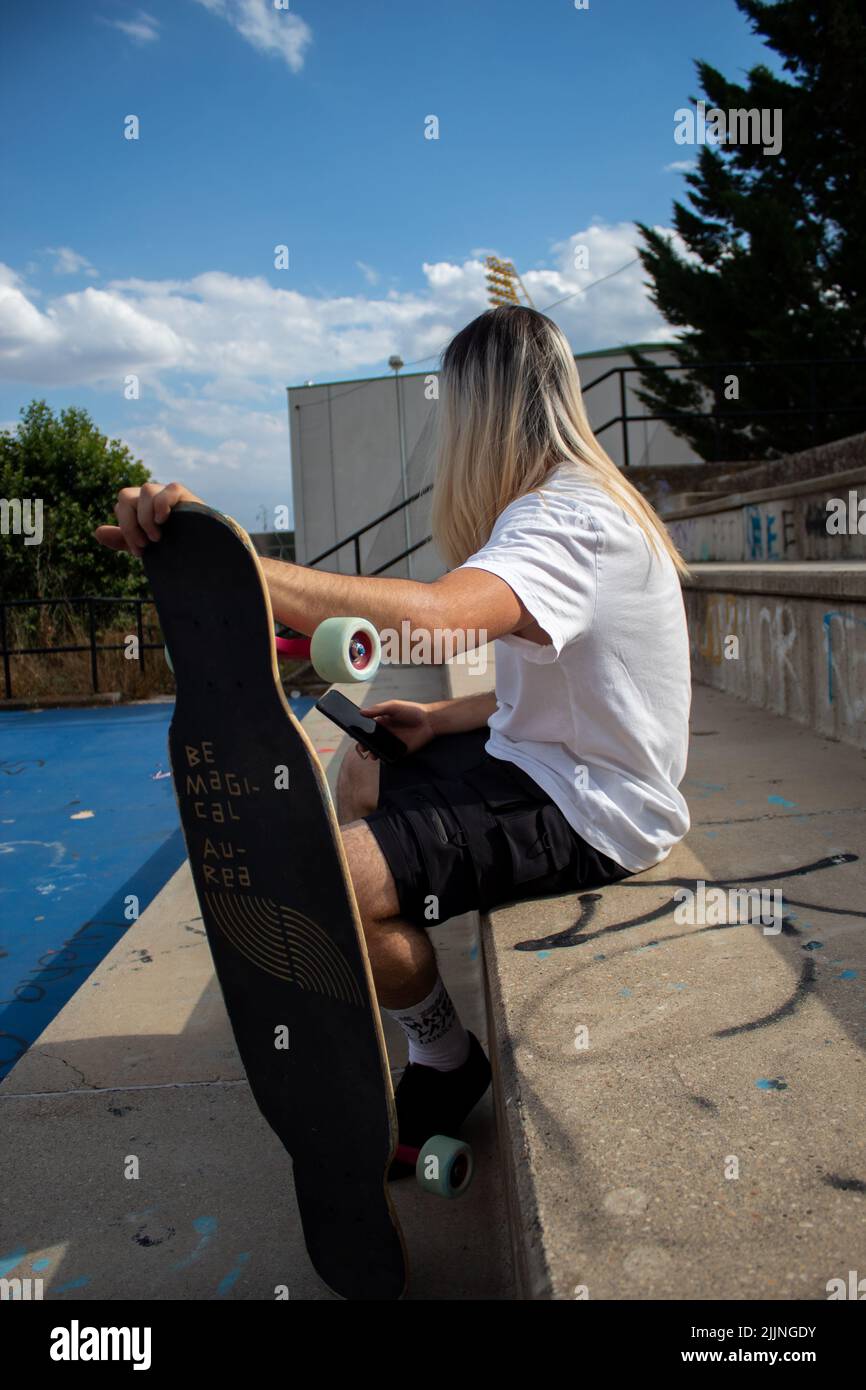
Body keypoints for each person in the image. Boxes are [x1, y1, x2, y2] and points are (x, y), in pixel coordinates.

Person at [96, 305, 691, 1177]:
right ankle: (411, 974)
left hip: (592, 810)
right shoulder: (573, 502)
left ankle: (445, 1058)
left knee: (321, 880)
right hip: (547, 764)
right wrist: (443, 718)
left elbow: (439, 625)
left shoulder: (568, 520)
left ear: (479, 413)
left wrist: (238, 566)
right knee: (366, 761)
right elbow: (579, 679)